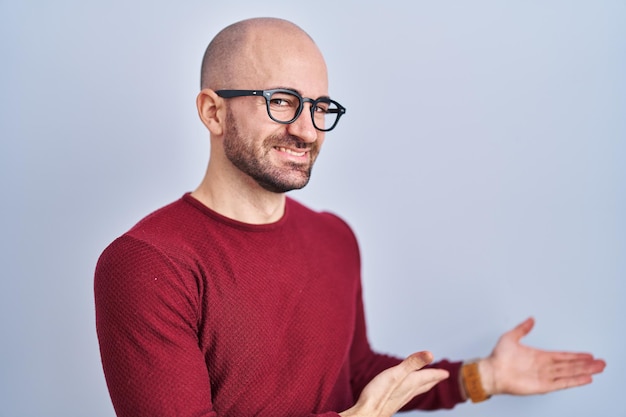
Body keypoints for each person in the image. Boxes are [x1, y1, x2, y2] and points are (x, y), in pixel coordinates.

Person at [94, 17, 606, 417]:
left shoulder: (335, 237)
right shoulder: (145, 263)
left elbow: (355, 373)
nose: (308, 130)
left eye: (320, 107)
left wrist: (483, 378)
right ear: (213, 112)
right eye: (282, 102)